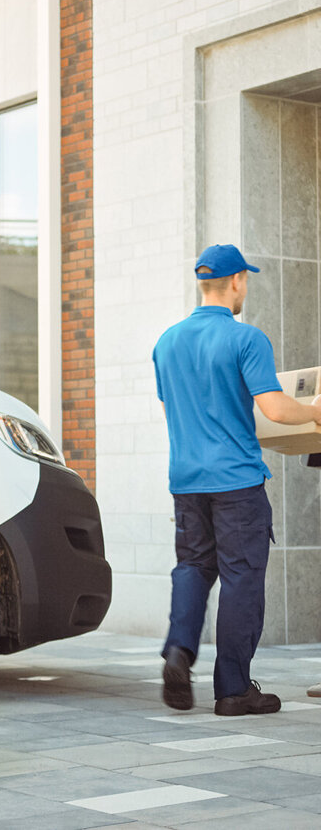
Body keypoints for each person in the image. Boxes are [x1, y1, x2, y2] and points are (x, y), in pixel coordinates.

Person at [154, 244, 321, 716]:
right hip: (236, 482)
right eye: (246, 279)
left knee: (192, 568)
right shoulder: (246, 339)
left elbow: (172, 411)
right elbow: (273, 407)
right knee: (241, 578)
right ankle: (233, 689)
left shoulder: (166, 341)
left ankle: (178, 653)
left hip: (186, 481)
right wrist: (312, 411)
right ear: (236, 282)